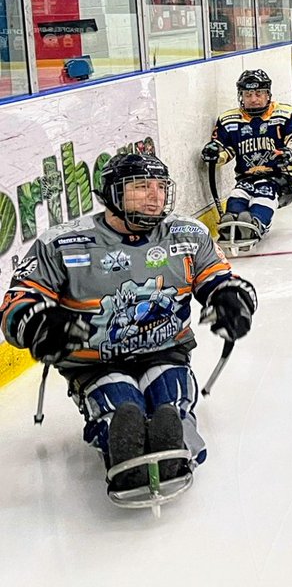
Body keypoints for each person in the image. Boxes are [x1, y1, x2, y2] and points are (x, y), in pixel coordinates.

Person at [0, 153, 255, 499]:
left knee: (171, 405)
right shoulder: (62, 243)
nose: (155, 196)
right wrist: (41, 325)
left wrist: (231, 300)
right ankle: (117, 439)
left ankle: (176, 433)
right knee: (120, 411)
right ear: (111, 194)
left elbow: (223, 279)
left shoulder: (187, 235)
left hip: (165, 351)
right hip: (95, 362)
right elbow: (17, 302)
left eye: (160, 187)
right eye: (140, 187)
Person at [201, 69, 292, 243]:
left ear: (268, 94)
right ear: (240, 95)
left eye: (259, 93)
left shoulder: (287, 114)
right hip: (246, 177)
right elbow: (225, 149)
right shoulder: (228, 120)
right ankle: (232, 225)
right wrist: (215, 154)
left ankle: (256, 224)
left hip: (279, 179)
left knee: (264, 193)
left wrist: (290, 153)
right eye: (248, 94)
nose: (253, 99)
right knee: (238, 195)